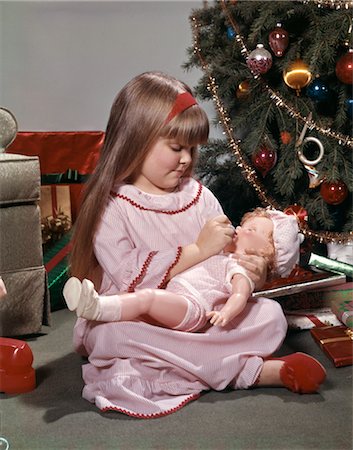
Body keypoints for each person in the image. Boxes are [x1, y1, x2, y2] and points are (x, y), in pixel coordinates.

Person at [67, 71, 326, 418]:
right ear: (136, 141)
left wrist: (253, 272)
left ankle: (185, 367)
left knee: (270, 317)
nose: (187, 159)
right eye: (176, 148)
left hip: (204, 316)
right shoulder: (113, 206)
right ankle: (252, 372)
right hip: (143, 322)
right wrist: (197, 251)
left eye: (191, 148)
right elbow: (128, 277)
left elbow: (229, 264)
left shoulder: (198, 196)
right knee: (109, 338)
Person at [64, 208, 303, 329]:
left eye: (252, 231)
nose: (240, 229)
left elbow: (241, 293)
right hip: (178, 295)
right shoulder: (220, 252)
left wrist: (226, 314)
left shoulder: (236, 267)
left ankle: (97, 308)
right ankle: (96, 306)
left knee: (146, 299)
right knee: (139, 306)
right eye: (243, 225)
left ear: (265, 252)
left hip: (192, 308)